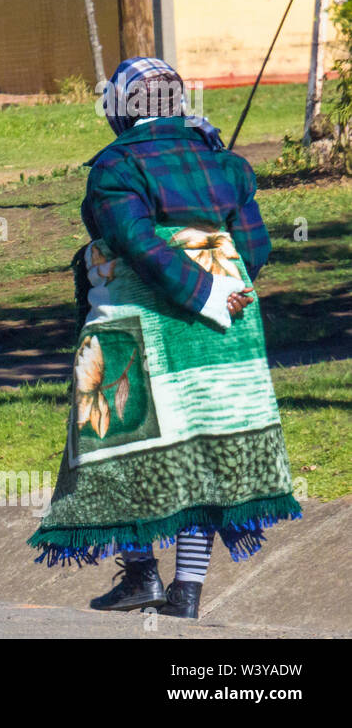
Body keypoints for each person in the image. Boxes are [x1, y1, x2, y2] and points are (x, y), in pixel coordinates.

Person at [28, 57, 303, 618]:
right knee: (206, 450)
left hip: (138, 320)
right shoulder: (224, 163)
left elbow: (133, 241)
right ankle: (188, 591)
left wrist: (193, 290)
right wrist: (219, 292)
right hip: (225, 328)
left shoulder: (116, 167)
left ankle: (141, 574)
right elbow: (254, 248)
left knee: (124, 445)